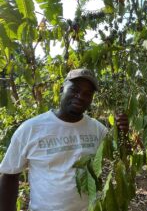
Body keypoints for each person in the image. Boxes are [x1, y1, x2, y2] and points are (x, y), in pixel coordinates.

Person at [0, 68, 129, 211]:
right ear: (62, 89)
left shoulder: (97, 129)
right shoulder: (31, 129)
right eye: (75, 90)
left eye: (87, 94)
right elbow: (10, 175)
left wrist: (123, 133)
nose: (80, 96)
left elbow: (121, 156)